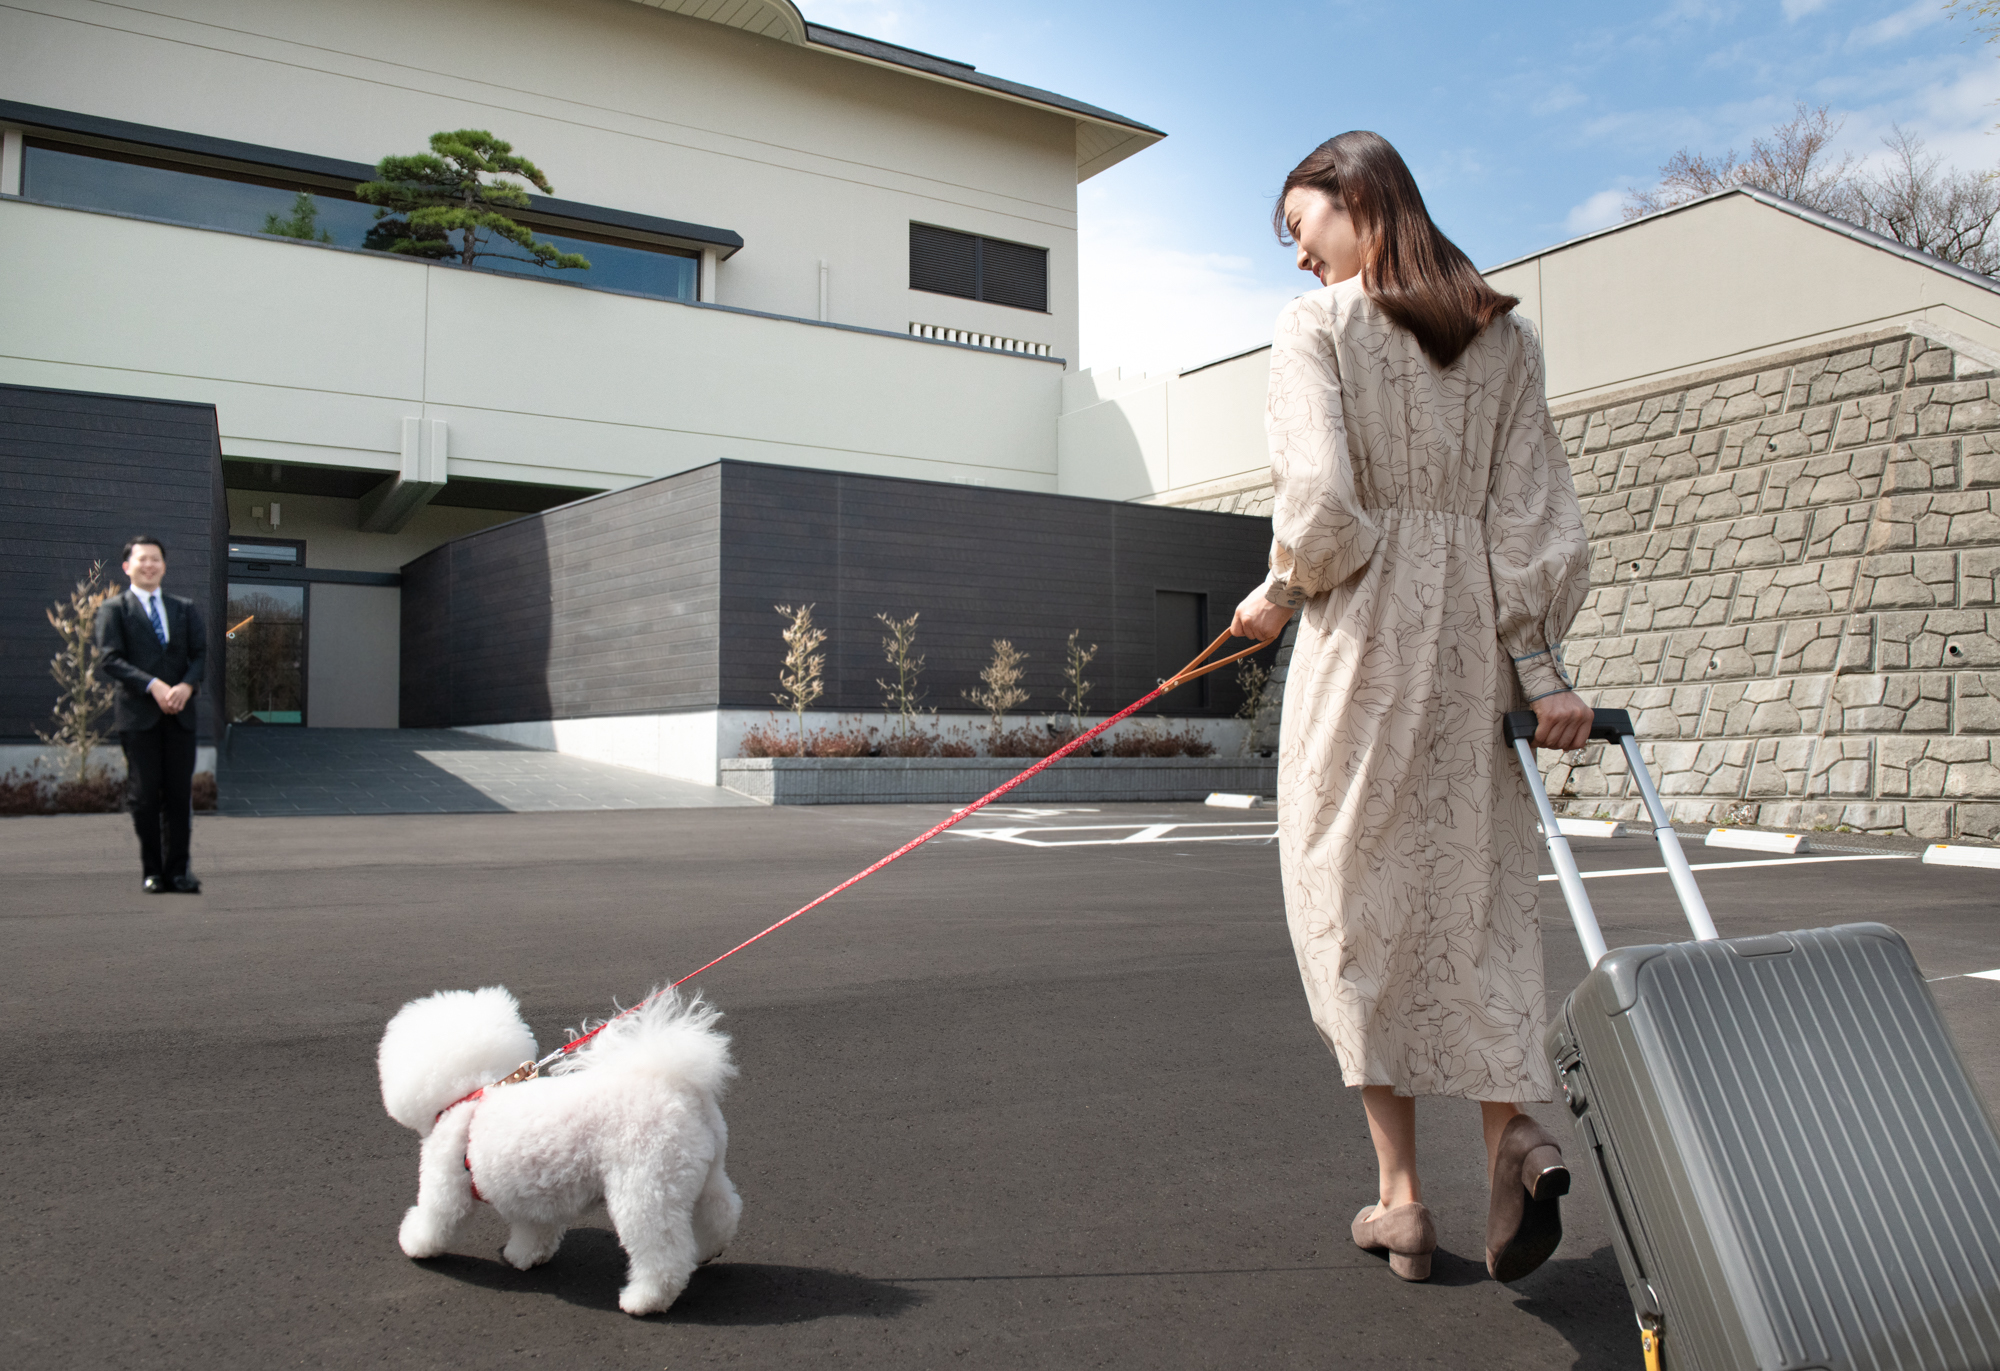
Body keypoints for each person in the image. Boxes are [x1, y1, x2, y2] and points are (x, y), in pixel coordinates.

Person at [1228, 132, 1593, 1285]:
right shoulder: (1505, 337)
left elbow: (1324, 506)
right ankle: (1512, 1137)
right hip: (1473, 657)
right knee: (1476, 899)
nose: (1298, 259)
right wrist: (1542, 676)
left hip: (1365, 655)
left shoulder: (1317, 330)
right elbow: (1532, 515)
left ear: (1353, 199)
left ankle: (1398, 1199)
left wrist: (1279, 593)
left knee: (1346, 901)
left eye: (1300, 228)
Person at [94, 535, 207, 894]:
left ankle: (178, 872)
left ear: (164, 565)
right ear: (128, 566)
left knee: (177, 795)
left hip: (180, 716)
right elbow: (109, 659)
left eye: (155, 559)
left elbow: (200, 656)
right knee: (144, 797)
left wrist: (186, 687)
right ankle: (153, 871)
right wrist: (154, 685)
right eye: (142, 559)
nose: (149, 565)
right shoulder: (114, 609)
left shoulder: (184, 608)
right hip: (138, 717)